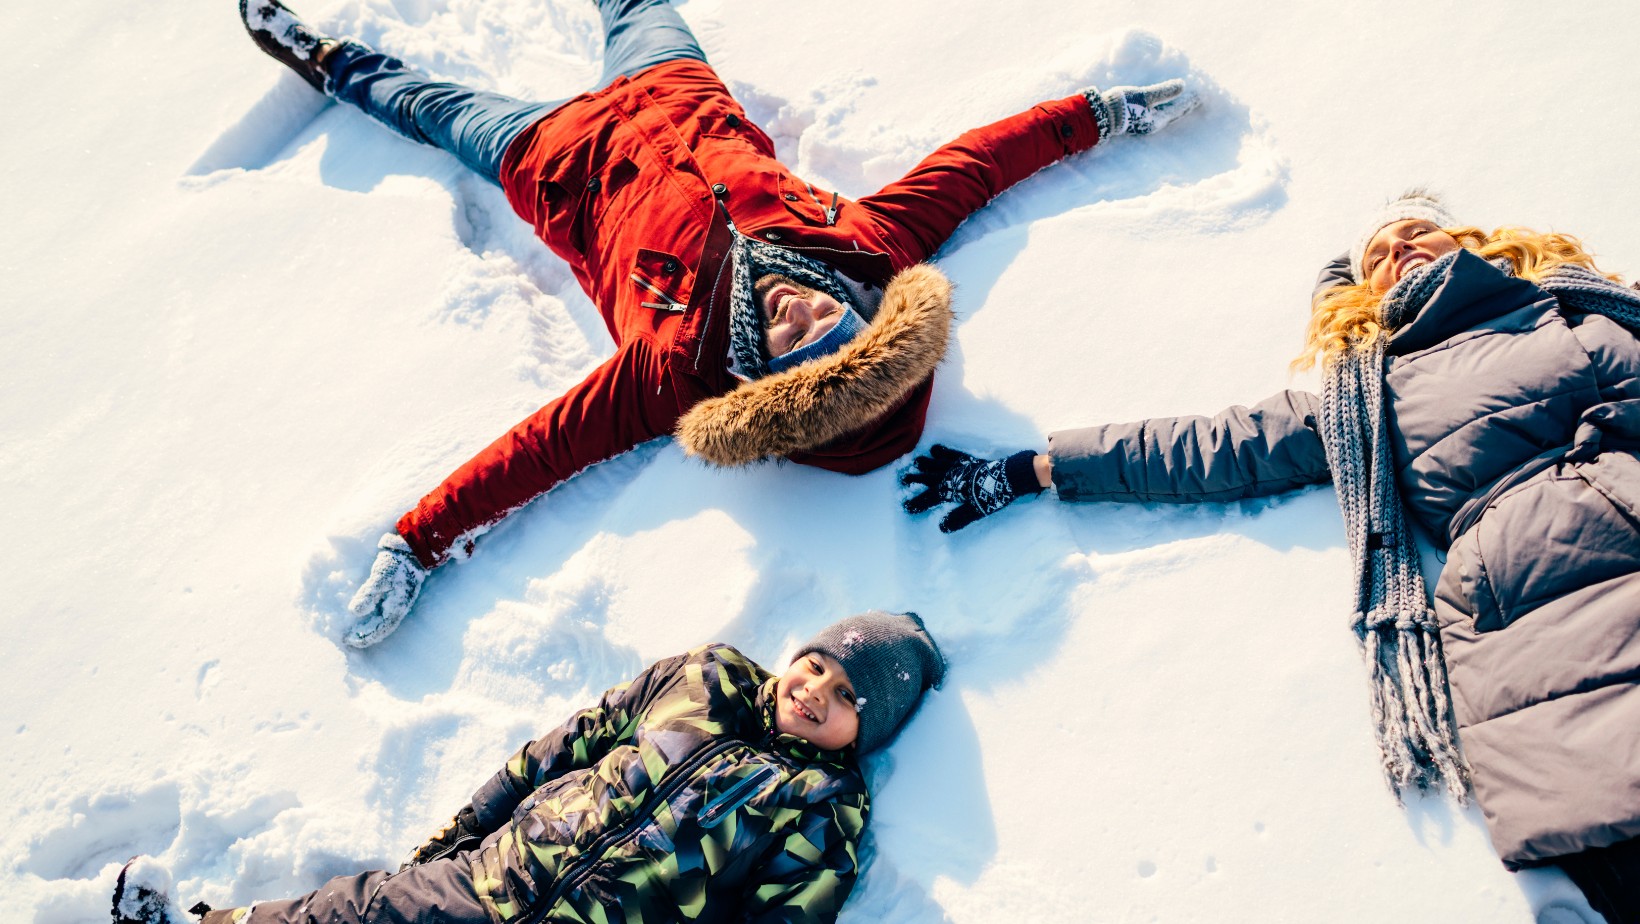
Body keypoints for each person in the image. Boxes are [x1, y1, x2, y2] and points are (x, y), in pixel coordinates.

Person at [237, 0, 1201, 648]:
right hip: (674, 89)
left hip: (555, 161)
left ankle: (321, 59)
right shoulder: (869, 246)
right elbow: (984, 162)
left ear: (762, 384)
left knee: (413, 102)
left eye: (793, 340)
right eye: (833, 317)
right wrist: (1099, 113)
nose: (802, 307)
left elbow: (535, 452)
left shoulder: (672, 377)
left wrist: (416, 544)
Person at [902, 191, 1640, 920]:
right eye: (1377, 255)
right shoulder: (1367, 396)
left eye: (1417, 232)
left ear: (1469, 239)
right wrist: (1033, 468)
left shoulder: (1581, 306)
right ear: (1362, 294)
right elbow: (1213, 447)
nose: (1399, 252)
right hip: (1532, 627)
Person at [111, 611, 946, 924]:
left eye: (842, 699)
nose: (814, 692)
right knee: (348, 912)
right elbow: (569, 743)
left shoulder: (821, 809)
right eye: (816, 666)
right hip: (496, 875)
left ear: (860, 736)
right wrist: (470, 826)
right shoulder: (709, 675)